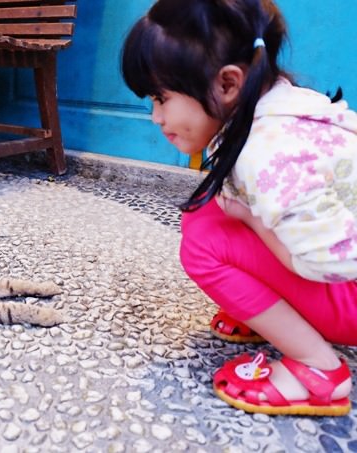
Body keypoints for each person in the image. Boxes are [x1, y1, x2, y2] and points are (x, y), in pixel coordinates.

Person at [122, 0, 357, 416]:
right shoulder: (281, 104)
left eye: (161, 97)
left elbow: (322, 264)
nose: (156, 117)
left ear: (229, 84)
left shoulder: (269, 152)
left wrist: (252, 219)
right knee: (208, 213)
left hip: (346, 292)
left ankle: (318, 371)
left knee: (204, 245)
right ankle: (271, 313)